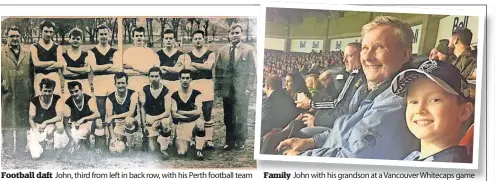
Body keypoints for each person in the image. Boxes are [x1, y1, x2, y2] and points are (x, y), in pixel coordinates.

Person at [275, 16, 419, 159]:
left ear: (405, 54)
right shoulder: (368, 89)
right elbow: (347, 128)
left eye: (379, 47)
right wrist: (312, 142)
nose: (367, 57)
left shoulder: (395, 102)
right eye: (365, 48)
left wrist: (301, 156)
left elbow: (350, 159)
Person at [391, 60, 473, 162]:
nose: (419, 110)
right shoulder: (415, 155)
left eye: (434, 100)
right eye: (413, 101)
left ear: (464, 111)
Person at [215, 24, 257, 150]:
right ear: (229, 35)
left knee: (241, 115)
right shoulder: (222, 50)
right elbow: (217, 70)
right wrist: (218, 88)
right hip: (227, 89)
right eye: (232, 33)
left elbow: (253, 70)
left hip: (242, 89)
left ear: (241, 34)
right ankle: (229, 141)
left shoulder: (248, 49)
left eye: (237, 33)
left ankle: (240, 140)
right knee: (228, 116)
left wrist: (249, 88)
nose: (234, 35)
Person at [1, 26, 34, 155]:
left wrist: (31, 90)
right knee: (7, 120)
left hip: (23, 91)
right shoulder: (1, 52)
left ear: (20, 37)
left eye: (17, 36)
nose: (15, 39)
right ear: (6, 37)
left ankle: (21, 149)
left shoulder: (27, 52)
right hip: (7, 91)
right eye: (12, 36)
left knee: (22, 120)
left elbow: (32, 72)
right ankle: (8, 150)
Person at [186, 30, 216, 149]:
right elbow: (188, 68)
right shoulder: (188, 54)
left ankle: (208, 140)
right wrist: (202, 66)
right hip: (193, 84)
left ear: (204, 39)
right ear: (192, 40)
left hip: (207, 83)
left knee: (207, 111)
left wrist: (194, 64)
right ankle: (193, 138)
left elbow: (209, 67)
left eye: (200, 38)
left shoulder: (210, 53)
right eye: (195, 38)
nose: (198, 40)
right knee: (194, 111)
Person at [88, 24, 122, 124]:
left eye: (105, 34)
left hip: (112, 81)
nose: (103, 36)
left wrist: (101, 67)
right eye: (101, 34)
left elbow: (117, 68)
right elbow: (94, 68)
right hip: (99, 82)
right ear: (97, 35)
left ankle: (114, 135)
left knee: (113, 109)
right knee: (101, 110)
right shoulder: (92, 52)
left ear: (109, 35)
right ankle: (102, 132)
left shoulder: (115, 51)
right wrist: (109, 65)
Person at [27, 78, 67, 159]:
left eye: (50, 91)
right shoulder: (34, 101)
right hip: (37, 127)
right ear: (41, 90)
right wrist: (36, 133)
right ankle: (38, 144)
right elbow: (31, 119)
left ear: (53, 90)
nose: (47, 93)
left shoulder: (57, 98)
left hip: (50, 126)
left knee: (60, 126)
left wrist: (45, 122)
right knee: (35, 156)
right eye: (45, 90)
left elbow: (59, 117)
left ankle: (57, 149)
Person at [171, 69, 205, 160]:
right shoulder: (174, 95)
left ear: (191, 79)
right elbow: (174, 114)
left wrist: (182, 112)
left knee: (200, 123)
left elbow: (198, 112)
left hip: (194, 122)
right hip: (182, 125)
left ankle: (199, 150)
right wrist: (190, 115)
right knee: (181, 153)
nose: (185, 80)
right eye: (183, 78)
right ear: (179, 79)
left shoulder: (197, 94)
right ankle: (190, 140)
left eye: (187, 78)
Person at [139, 67, 172, 159]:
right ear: (149, 77)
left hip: (161, 118)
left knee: (166, 122)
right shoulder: (144, 89)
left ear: (160, 77)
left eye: (156, 76)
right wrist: (143, 126)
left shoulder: (166, 91)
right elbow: (142, 109)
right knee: (153, 150)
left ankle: (164, 148)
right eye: (152, 76)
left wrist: (155, 118)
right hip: (149, 119)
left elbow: (167, 112)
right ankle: (149, 139)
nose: (154, 78)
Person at [105, 72, 139, 153]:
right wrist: (113, 137)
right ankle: (124, 143)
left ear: (127, 83)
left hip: (132, 122)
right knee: (115, 151)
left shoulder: (133, 94)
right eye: (118, 83)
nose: (121, 85)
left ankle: (131, 146)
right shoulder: (110, 98)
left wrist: (113, 117)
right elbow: (109, 119)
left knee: (128, 120)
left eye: (123, 83)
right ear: (115, 84)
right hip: (119, 124)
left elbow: (131, 113)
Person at [63, 81, 101, 151]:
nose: (74, 94)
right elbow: (65, 123)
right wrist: (71, 138)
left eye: (76, 91)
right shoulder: (68, 103)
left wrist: (83, 118)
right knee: (76, 148)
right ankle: (82, 142)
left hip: (89, 124)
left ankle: (98, 146)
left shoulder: (88, 99)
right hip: (77, 126)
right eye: (72, 92)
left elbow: (97, 114)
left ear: (81, 90)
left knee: (99, 121)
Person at [30, 20, 65, 96]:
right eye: (46, 31)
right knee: (40, 101)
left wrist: (42, 66)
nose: (48, 34)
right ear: (41, 31)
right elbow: (36, 64)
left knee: (56, 101)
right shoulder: (34, 46)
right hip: (39, 77)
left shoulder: (57, 47)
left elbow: (60, 64)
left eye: (51, 32)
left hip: (54, 77)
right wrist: (52, 62)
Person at [123, 26, 160, 92]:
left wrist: (132, 67)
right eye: (137, 36)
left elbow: (152, 70)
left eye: (141, 35)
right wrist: (144, 71)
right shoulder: (127, 52)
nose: (139, 37)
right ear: (133, 37)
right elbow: (125, 71)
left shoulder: (150, 52)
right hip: (132, 84)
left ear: (144, 37)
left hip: (147, 84)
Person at [62, 28, 92, 99]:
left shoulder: (86, 55)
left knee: (86, 106)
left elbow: (87, 70)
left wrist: (69, 68)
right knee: (69, 107)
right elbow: (65, 73)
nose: (75, 40)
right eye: (73, 38)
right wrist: (81, 71)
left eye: (78, 39)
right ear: (69, 39)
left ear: (81, 40)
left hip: (84, 84)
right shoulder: (64, 55)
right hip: (68, 84)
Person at [157, 29, 184, 93]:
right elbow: (158, 72)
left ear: (174, 40)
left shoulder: (180, 54)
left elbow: (178, 70)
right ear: (163, 40)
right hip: (162, 82)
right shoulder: (158, 54)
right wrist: (173, 69)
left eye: (171, 38)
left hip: (177, 83)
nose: (168, 40)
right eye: (166, 38)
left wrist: (164, 67)